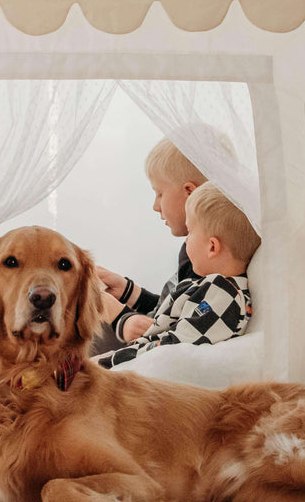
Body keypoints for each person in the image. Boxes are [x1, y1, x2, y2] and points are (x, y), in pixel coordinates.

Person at [95, 181, 260, 370]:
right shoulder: (207, 287)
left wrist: (109, 361)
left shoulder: (225, 295)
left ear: (212, 247)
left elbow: (174, 347)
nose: (186, 241)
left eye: (190, 232)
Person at [94, 135, 222, 353]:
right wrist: (129, 292)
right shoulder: (199, 249)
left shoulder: (205, 257)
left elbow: (176, 332)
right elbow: (171, 310)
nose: (155, 206)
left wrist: (120, 318)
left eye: (160, 193)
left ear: (190, 192)